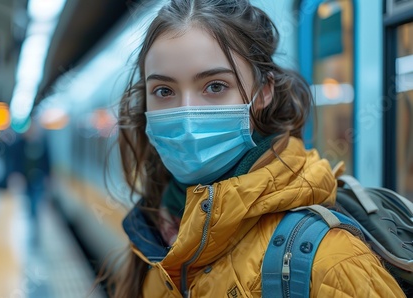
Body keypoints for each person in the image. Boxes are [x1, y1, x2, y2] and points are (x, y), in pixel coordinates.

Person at [101, 0, 405, 297]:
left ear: (264, 92)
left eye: (215, 86)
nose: (187, 116)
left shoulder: (335, 264)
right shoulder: (156, 230)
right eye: (164, 91)